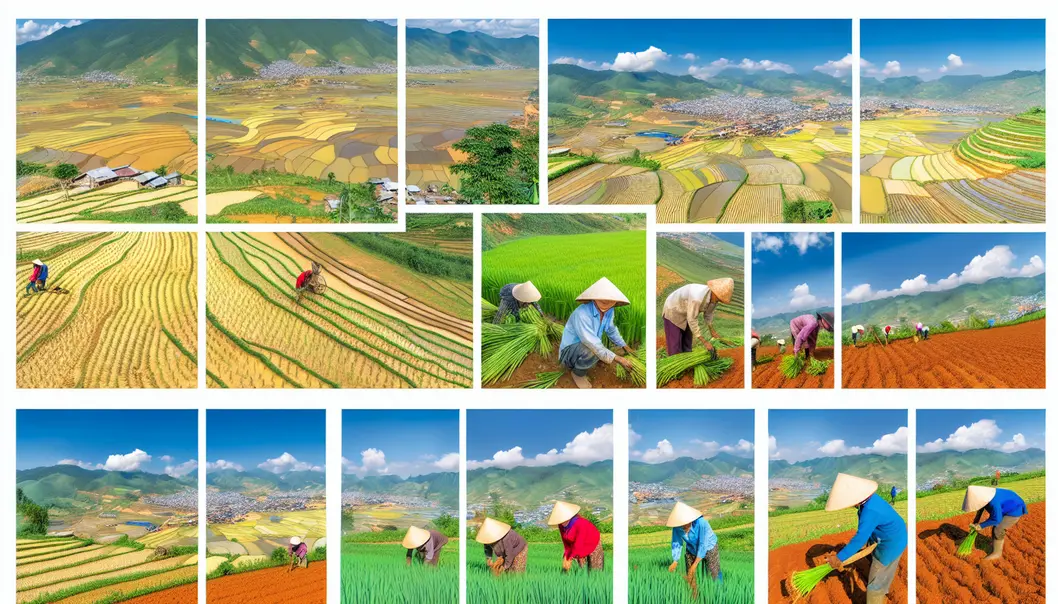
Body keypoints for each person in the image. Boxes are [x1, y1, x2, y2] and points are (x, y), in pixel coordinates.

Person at [824, 473, 907, 604]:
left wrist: (839, 558)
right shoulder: (869, 501)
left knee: (875, 584)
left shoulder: (870, 510)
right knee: (872, 557)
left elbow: (859, 539)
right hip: (882, 536)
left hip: (891, 543)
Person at [558, 277, 635, 389]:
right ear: (594, 298)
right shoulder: (582, 314)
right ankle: (577, 374)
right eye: (602, 298)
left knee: (596, 349)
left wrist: (624, 346)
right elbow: (591, 343)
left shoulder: (609, 311)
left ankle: (590, 359)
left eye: (609, 299)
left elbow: (611, 329)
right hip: (569, 352)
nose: (606, 302)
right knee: (592, 350)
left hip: (586, 347)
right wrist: (618, 358)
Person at [661, 279, 734, 357]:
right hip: (673, 309)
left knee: (687, 341)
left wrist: (712, 330)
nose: (718, 301)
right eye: (719, 298)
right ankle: (674, 363)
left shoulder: (713, 299)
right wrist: (704, 342)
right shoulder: (697, 298)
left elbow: (708, 314)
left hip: (687, 312)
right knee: (675, 343)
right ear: (714, 292)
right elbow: (692, 319)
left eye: (720, 300)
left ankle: (687, 361)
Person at [964, 485, 1027, 561]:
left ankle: (997, 553)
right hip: (1005, 506)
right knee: (997, 527)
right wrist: (975, 523)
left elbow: (997, 519)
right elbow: (980, 511)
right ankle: (996, 543)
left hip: (1015, 509)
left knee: (998, 529)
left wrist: (980, 526)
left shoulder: (993, 502)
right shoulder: (984, 497)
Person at [667, 501, 722, 584]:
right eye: (680, 523)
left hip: (709, 547)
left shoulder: (701, 523)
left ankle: (719, 590)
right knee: (689, 572)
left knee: (714, 572)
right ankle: (693, 593)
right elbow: (676, 543)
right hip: (691, 547)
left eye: (685, 523)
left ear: (690, 519)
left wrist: (695, 565)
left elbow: (702, 544)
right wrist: (675, 560)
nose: (683, 526)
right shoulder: (677, 527)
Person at [548, 501, 604, 571]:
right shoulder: (561, 525)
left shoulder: (580, 523)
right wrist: (566, 555)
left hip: (592, 541)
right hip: (576, 543)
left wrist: (571, 558)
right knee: (578, 568)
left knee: (595, 568)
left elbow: (579, 543)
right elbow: (566, 542)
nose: (561, 521)